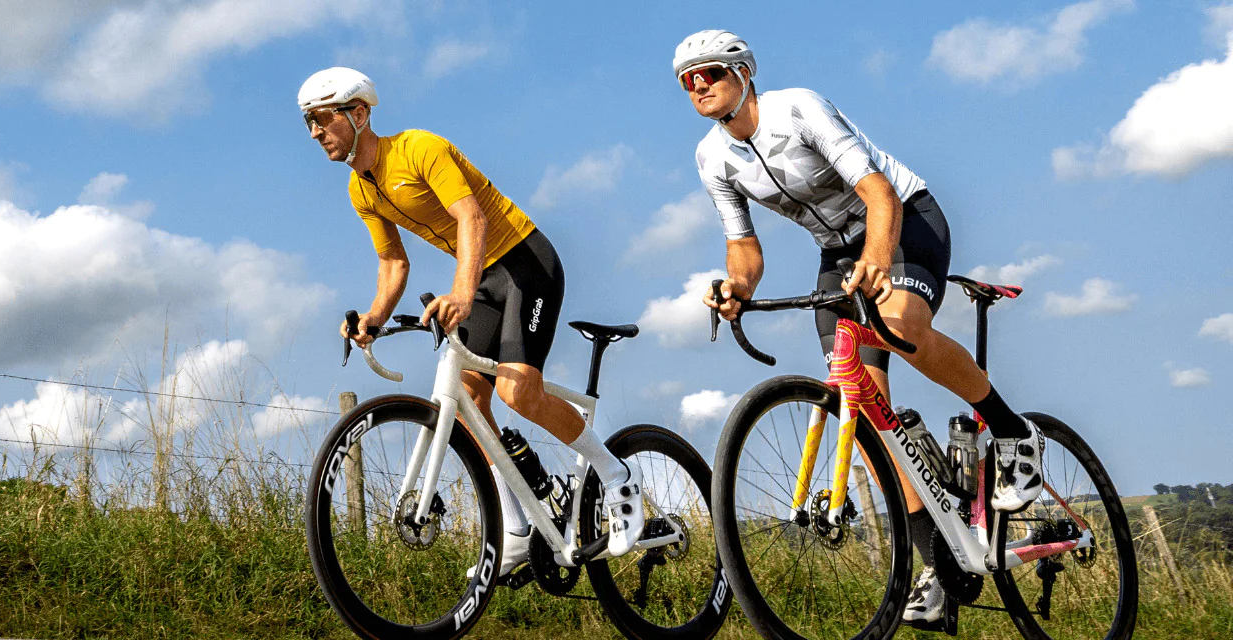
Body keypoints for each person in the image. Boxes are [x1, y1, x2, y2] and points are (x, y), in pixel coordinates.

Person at [673, 30, 1045, 628]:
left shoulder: (798, 109)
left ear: (744, 73)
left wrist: (878, 257)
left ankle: (1014, 432)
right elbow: (744, 248)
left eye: (709, 72)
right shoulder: (711, 158)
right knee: (861, 401)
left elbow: (878, 193)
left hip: (903, 218)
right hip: (836, 250)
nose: (698, 85)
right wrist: (736, 287)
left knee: (900, 323)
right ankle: (940, 563)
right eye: (686, 80)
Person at [298, 67, 644, 580]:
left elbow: (472, 218)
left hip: (526, 263)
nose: (314, 132)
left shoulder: (418, 148)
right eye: (308, 123)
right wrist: (373, 317)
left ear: (360, 113)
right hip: (483, 277)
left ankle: (617, 476)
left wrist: (460, 293)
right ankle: (516, 528)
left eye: (322, 119)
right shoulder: (360, 189)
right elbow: (393, 262)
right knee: (466, 403)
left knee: (517, 392)